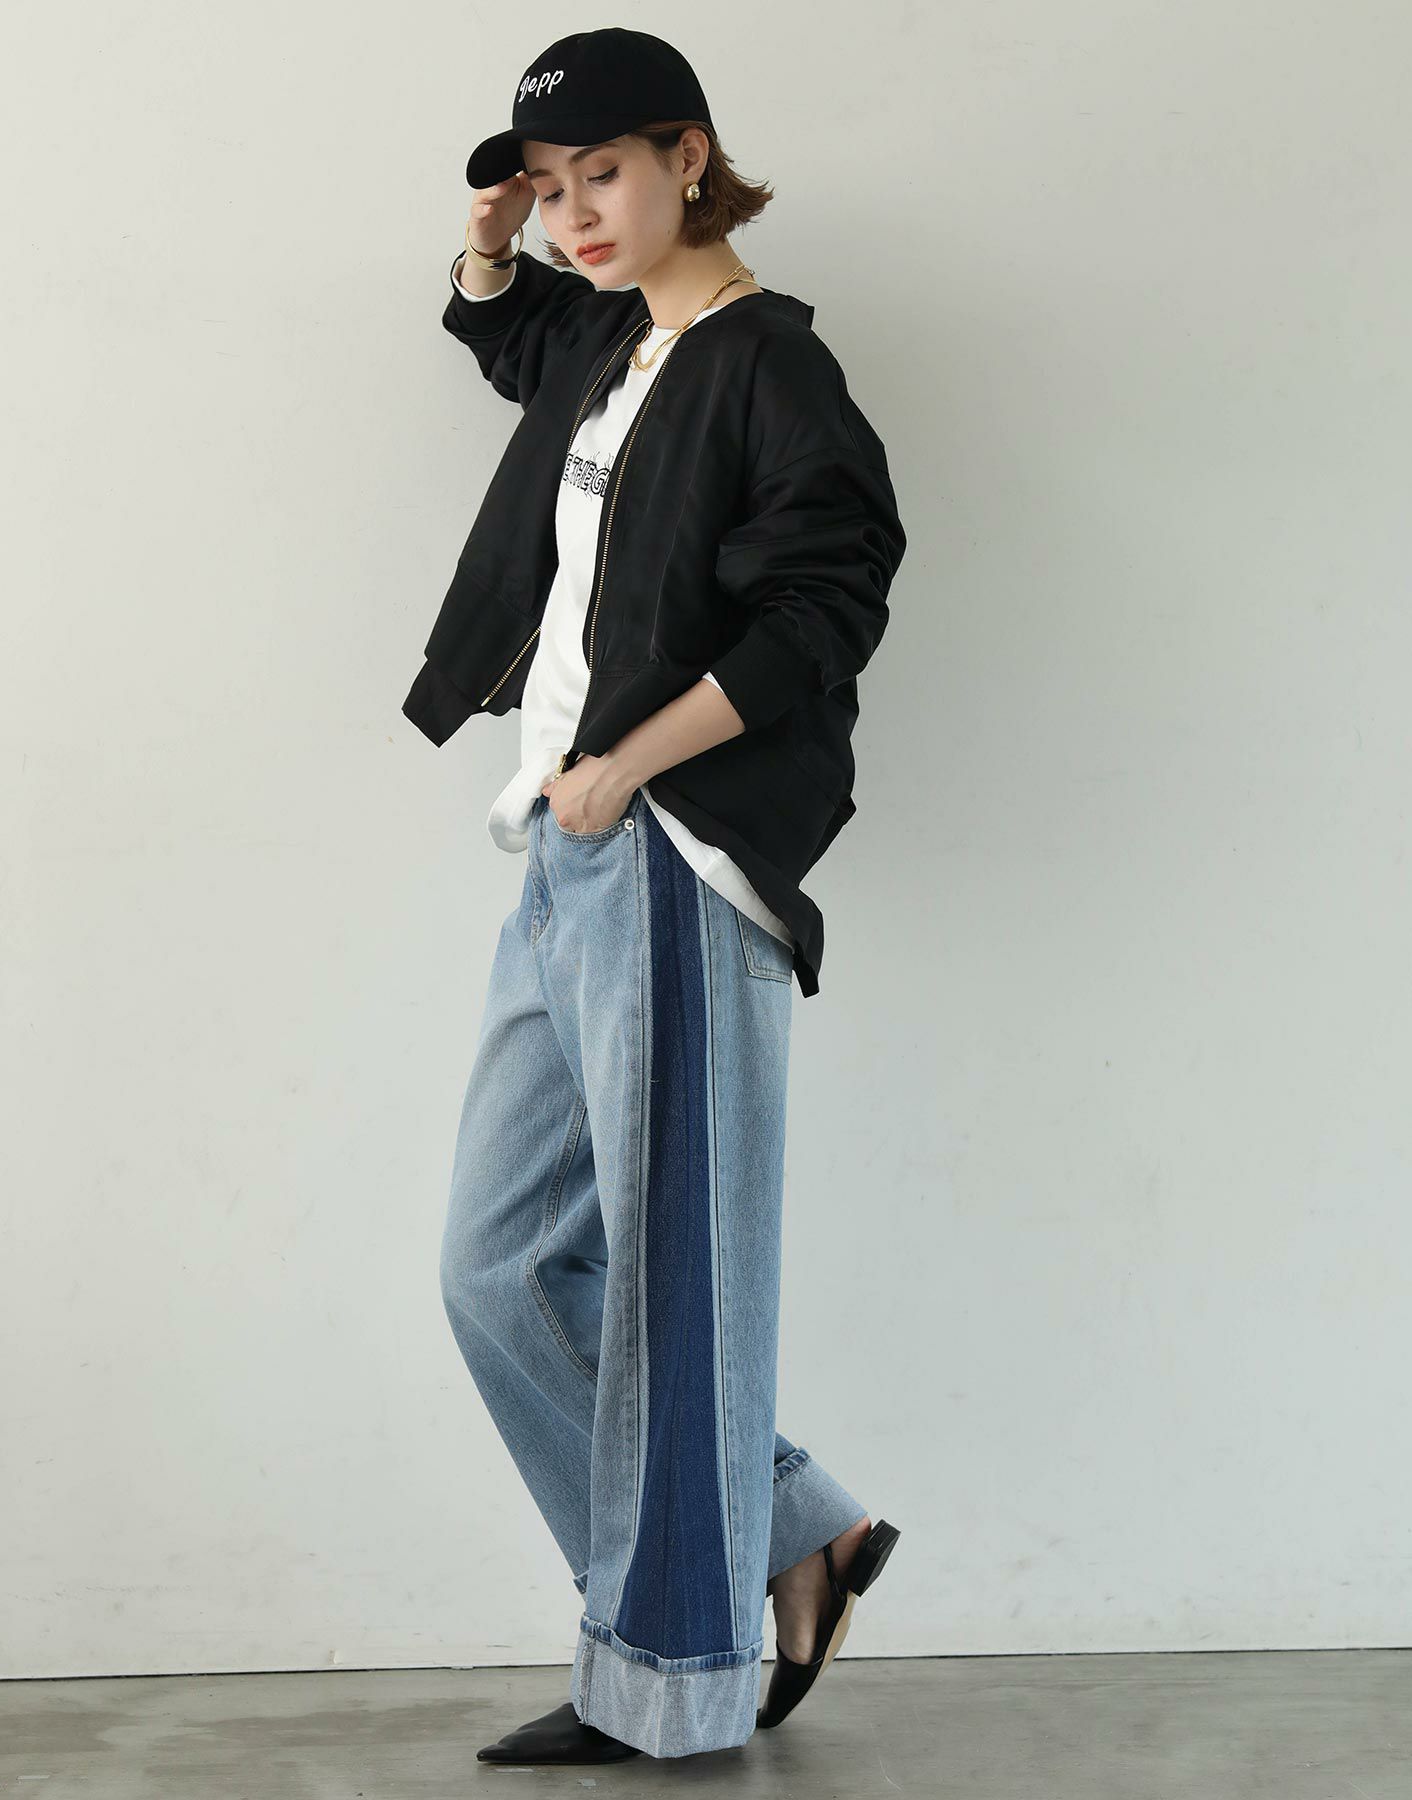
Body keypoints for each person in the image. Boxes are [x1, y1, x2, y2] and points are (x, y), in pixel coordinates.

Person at [403, 28, 907, 1765]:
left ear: (691, 156)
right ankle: (798, 1528)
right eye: (553, 189)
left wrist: (629, 766)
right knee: (499, 1270)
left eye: (601, 175)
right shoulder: (606, 339)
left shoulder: (773, 367)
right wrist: (491, 246)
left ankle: (675, 1682)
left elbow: (825, 608)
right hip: (559, 855)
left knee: (673, 1293)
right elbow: (508, 336)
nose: (575, 216)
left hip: (673, 855)